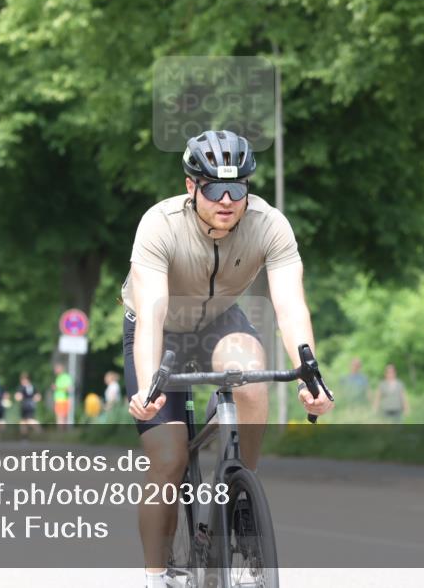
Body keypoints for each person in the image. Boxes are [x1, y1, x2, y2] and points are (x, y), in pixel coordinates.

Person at [121, 130, 333, 588]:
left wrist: (309, 377)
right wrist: (146, 388)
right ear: (190, 185)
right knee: (168, 456)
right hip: (161, 328)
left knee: (252, 378)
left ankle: (240, 490)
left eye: (238, 188)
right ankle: (156, 575)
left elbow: (291, 306)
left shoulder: (270, 224)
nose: (227, 200)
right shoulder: (159, 225)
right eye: (215, 188)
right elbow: (154, 313)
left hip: (220, 320)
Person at [14, 372, 41, 438]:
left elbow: (18, 397)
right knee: (24, 421)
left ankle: (39, 431)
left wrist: (18, 397)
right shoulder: (32, 386)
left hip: (25, 405)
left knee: (27, 421)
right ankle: (25, 437)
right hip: (31, 405)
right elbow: (38, 396)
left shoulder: (22, 387)